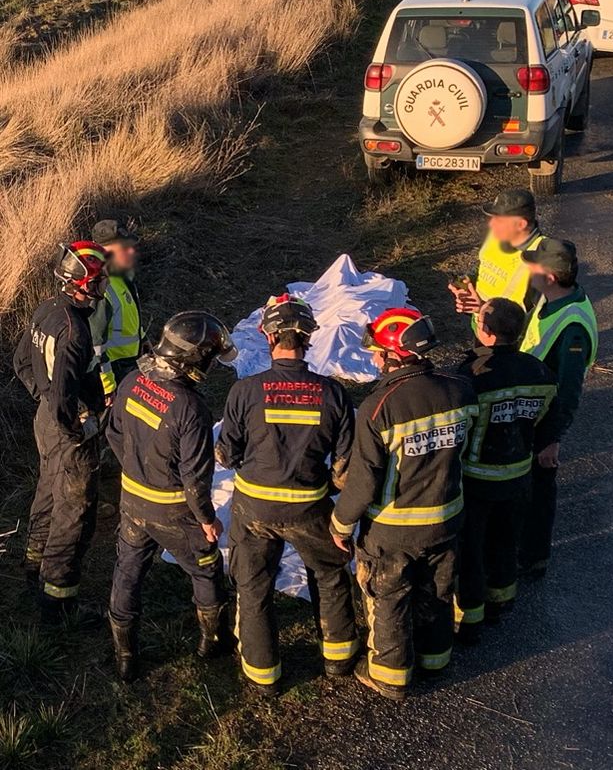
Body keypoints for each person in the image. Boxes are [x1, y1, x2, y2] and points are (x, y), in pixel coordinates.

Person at [330, 308, 478, 702]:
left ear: (394, 354)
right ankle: (435, 658)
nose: (375, 358)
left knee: (389, 596)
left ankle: (390, 675)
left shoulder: (380, 407)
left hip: (392, 529)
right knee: (437, 590)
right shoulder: (461, 389)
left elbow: (364, 481)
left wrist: (341, 524)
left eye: (378, 350)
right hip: (447, 517)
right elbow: (469, 451)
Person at [216, 295, 358, 698]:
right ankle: (339, 658)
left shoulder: (245, 391)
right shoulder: (332, 394)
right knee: (330, 576)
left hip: (252, 508)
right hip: (310, 505)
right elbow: (345, 463)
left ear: (267, 334)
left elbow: (226, 453)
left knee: (254, 585)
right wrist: (329, 488)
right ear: (309, 337)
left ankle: (263, 676)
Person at [106, 311, 237, 682]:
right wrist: (207, 520)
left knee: (128, 571)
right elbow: (196, 478)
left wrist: (136, 468)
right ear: (193, 360)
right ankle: (213, 642)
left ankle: (125, 656)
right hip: (175, 510)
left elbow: (114, 434)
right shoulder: (191, 408)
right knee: (206, 566)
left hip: (131, 501)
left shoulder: (132, 381)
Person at [13, 241, 109, 622]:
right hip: (67, 429)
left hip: (45, 421)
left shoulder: (46, 310)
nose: (101, 290)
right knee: (75, 509)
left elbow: (21, 361)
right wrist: (78, 426)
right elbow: (65, 392)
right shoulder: (75, 332)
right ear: (80, 283)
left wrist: (45, 400)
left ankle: (33, 563)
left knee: (47, 491)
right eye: (97, 283)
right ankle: (58, 598)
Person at [455, 298, 557, 643]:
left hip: (477, 478)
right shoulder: (539, 371)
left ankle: (470, 619)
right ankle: (502, 602)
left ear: (485, 332)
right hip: (518, 475)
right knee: (505, 541)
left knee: (472, 547)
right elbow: (544, 420)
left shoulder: (472, 377)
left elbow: (461, 428)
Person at [518, 239, 598, 578]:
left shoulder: (573, 328)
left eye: (534, 265)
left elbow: (568, 392)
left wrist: (552, 438)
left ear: (549, 276)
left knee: (539, 491)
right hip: (529, 412)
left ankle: (534, 559)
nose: (527, 269)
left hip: (542, 422)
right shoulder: (552, 299)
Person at [449, 188, 544, 327]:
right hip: (482, 326)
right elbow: (485, 262)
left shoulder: (541, 260)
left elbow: (529, 322)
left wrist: (483, 309)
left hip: (507, 340)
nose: (491, 224)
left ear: (521, 224)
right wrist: (468, 280)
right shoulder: (499, 235)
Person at [90, 218, 144, 399]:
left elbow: (128, 318)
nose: (131, 251)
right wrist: (108, 388)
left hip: (131, 366)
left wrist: (146, 344)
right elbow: (96, 345)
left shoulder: (122, 276)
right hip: (114, 375)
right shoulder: (99, 288)